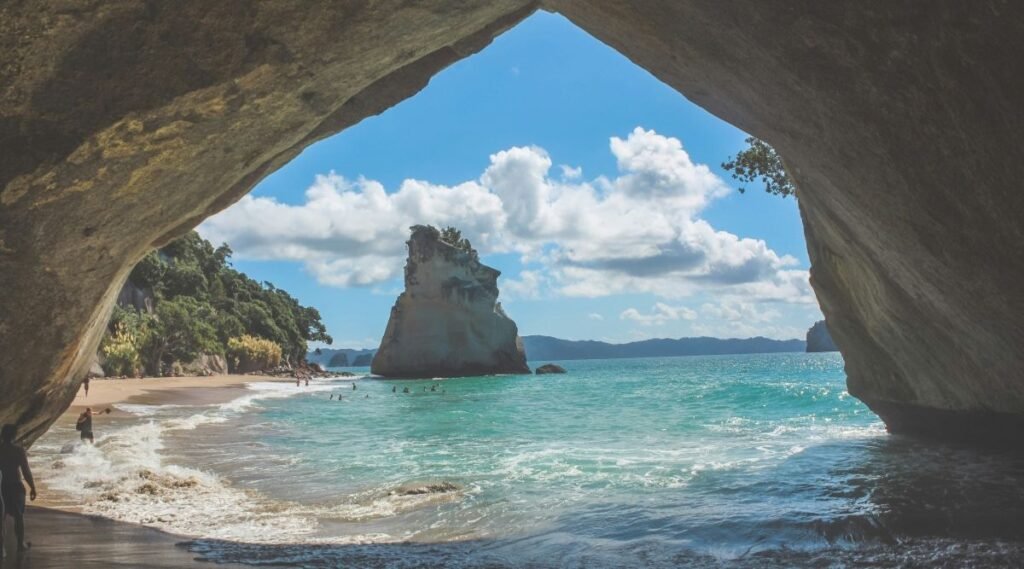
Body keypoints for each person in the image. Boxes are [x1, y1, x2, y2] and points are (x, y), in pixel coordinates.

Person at [0, 424, 37, 556]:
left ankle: (2, 548)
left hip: (2, 486)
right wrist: (32, 487)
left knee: (1, 518)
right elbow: (26, 471)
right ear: (14, 435)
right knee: (18, 516)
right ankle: (20, 544)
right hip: (15, 486)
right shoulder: (18, 450)